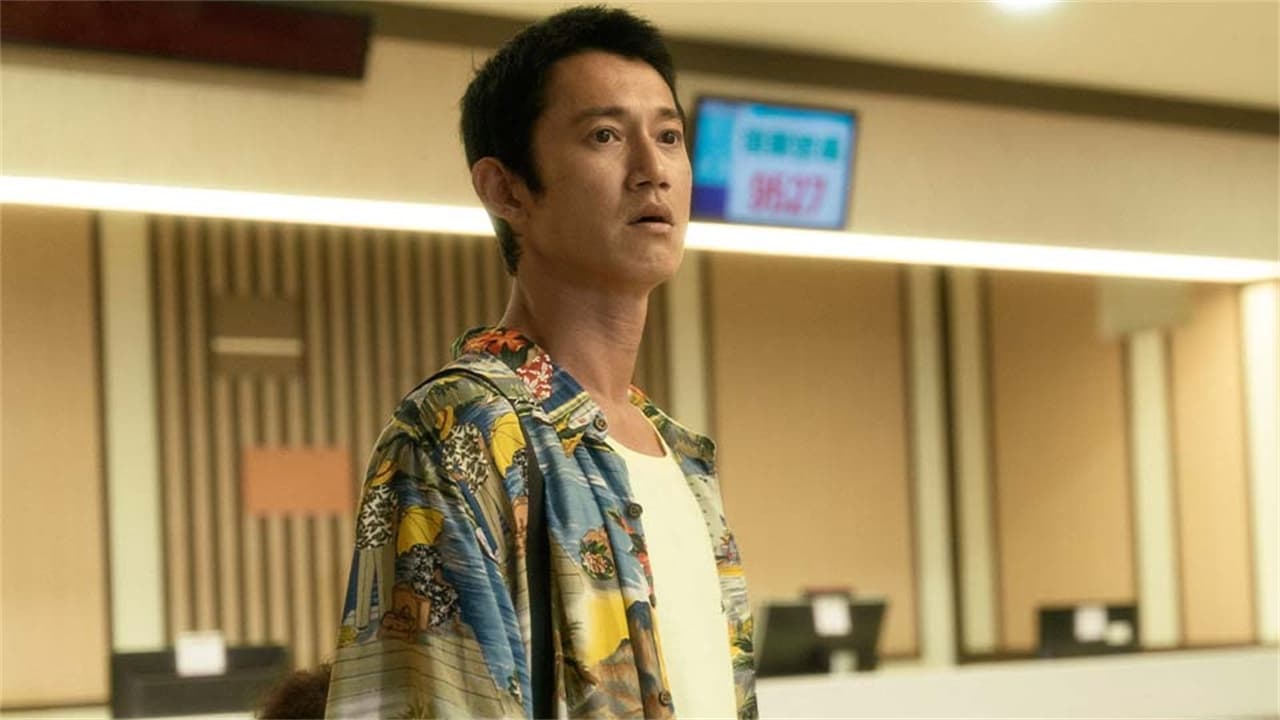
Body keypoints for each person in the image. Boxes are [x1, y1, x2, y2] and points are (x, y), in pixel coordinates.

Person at [324, 6, 755, 718]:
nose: (653, 171)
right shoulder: (460, 434)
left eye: (669, 136)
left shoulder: (682, 456)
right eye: (605, 135)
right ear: (506, 189)